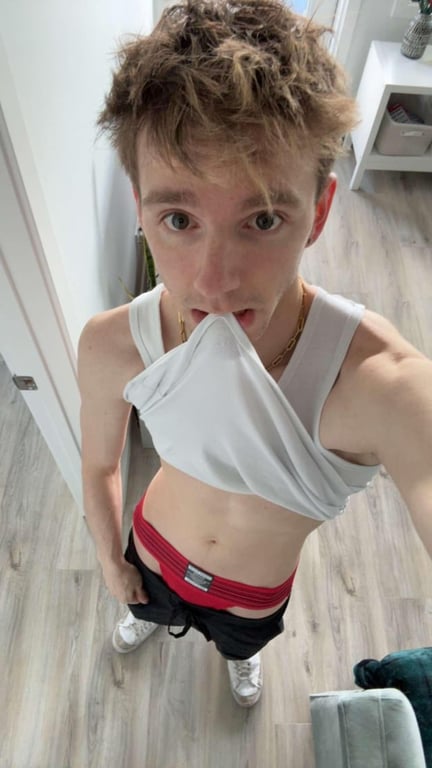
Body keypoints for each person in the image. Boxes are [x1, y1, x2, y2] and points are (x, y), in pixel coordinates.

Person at [78, 0, 432, 708]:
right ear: (141, 207)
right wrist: (110, 559)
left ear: (319, 212)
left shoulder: (382, 387)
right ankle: (145, 615)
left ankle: (239, 657)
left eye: (263, 218)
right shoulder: (114, 344)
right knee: (149, 607)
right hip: (150, 556)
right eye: (179, 218)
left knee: (240, 644)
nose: (213, 285)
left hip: (253, 597)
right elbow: (99, 464)